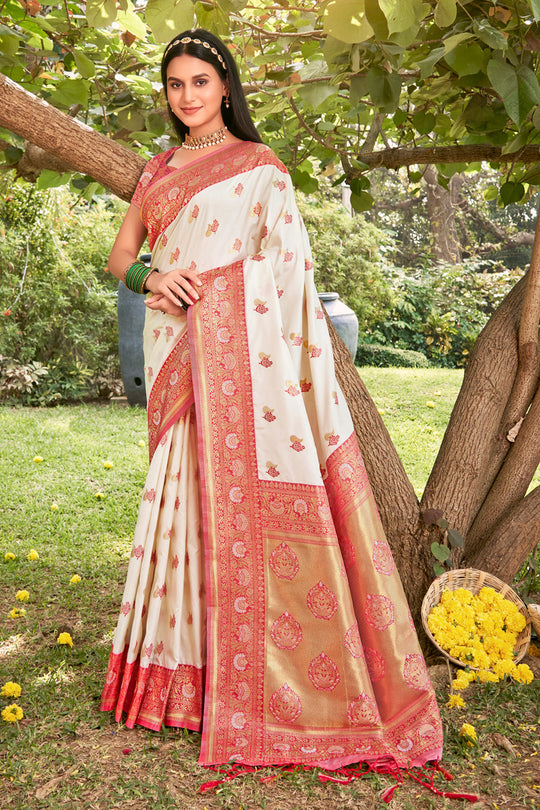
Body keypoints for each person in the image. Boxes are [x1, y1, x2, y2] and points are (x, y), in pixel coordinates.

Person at [101, 28, 443, 772]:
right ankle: (175, 674)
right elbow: (122, 255)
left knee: (221, 499)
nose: (186, 96)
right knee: (178, 496)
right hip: (175, 351)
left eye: (199, 82)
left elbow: (283, 273)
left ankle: (236, 675)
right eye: (174, 85)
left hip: (239, 361)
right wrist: (151, 280)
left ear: (226, 86)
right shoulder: (158, 171)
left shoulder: (260, 168)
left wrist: (222, 298)